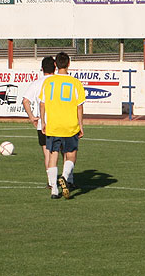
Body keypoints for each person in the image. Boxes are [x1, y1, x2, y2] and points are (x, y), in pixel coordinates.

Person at [22, 56, 75, 190]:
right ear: (55, 67)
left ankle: (51, 183)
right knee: (65, 151)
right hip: (62, 122)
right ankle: (68, 179)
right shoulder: (58, 81)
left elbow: (25, 100)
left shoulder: (37, 83)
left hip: (44, 124)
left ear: (42, 68)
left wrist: (32, 117)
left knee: (48, 153)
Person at [39, 52, 86, 200]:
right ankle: (65, 177)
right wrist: (81, 125)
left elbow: (42, 104)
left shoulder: (48, 82)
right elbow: (79, 106)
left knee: (53, 155)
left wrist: (43, 122)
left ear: (55, 65)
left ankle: (54, 190)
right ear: (69, 64)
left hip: (53, 125)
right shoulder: (75, 83)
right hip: (70, 125)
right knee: (71, 154)